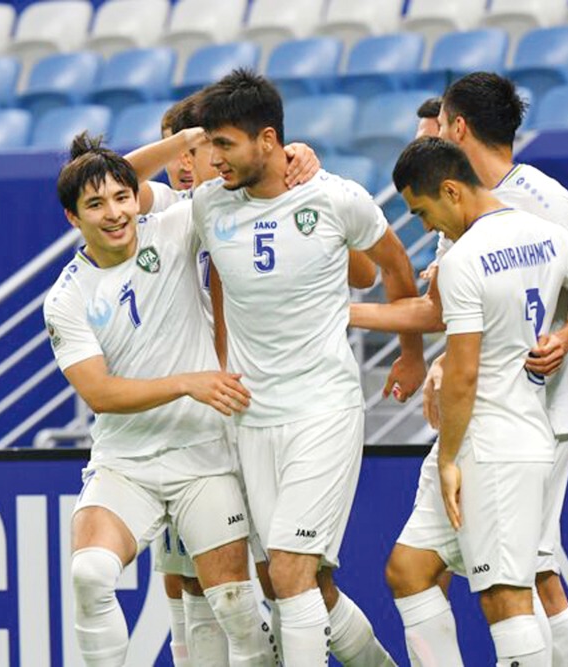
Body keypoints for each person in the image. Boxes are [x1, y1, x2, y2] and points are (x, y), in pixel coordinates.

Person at [353, 72, 568, 667]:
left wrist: (563, 339)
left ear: (456, 128)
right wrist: (364, 323)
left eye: (434, 129)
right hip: (473, 420)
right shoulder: (456, 213)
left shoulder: (541, 198)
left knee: (531, 579)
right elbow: (447, 311)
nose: (428, 140)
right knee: (416, 568)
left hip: (532, 412)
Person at [191, 69, 425, 666]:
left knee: (291, 570)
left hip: (323, 409)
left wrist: (411, 353)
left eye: (224, 144)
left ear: (267, 139)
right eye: (208, 143)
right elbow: (139, 208)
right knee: (293, 582)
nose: (212, 159)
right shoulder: (206, 205)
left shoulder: (334, 197)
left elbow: (394, 273)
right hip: (253, 418)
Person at [391, 136, 568, 667]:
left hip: (491, 445)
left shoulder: (462, 261)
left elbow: (462, 375)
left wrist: (449, 458)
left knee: (507, 596)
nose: (425, 227)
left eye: (423, 211)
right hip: (514, 433)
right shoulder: (545, 236)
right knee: (408, 569)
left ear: (451, 191)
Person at [44, 134, 275, 666]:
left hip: (203, 458)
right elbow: (100, 393)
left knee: (236, 606)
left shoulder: (174, 226)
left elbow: (250, 178)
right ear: (72, 219)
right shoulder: (66, 297)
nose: (114, 213)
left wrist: (295, 150)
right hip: (126, 464)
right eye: (95, 205)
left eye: (122, 198)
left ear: (138, 197)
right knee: (90, 574)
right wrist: (187, 382)